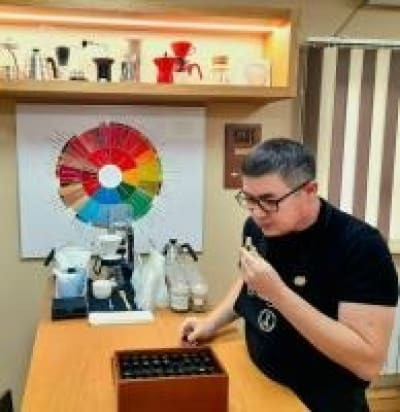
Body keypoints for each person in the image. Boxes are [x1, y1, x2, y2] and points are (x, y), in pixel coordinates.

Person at [180, 138, 398, 412]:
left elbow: (367, 363)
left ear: (309, 190)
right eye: (249, 199)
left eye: (269, 201)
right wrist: (211, 323)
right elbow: (249, 280)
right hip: (260, 383)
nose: (257, 213)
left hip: (321, 401)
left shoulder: (361, 246)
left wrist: (278, 293)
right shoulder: (257, 227)